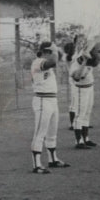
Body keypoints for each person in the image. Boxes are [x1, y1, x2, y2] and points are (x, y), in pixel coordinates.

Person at [29, 41, 71, 173]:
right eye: (50, 52)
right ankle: (36, 165)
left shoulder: (46, 62)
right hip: (42, 100)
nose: (53, 54)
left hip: (52, 100)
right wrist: (54, 48)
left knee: (52, 133)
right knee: (40, 133)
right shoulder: (37, 62)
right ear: (45, 52)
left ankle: (53, 159)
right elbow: (53, 61)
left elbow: (57, 59)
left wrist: (55, 49)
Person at [69, 37, 99, 148]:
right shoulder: (76, 60)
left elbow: (93, 41)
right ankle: (78, 141)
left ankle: (86, 139)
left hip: (90, 87)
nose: (81, 44)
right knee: (80, 114)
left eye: (83, 42)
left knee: (87, 113)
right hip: (81, 89)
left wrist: (87, 50)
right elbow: (77, 77)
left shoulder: (85, 53)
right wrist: (84, 62)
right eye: (79, 42)